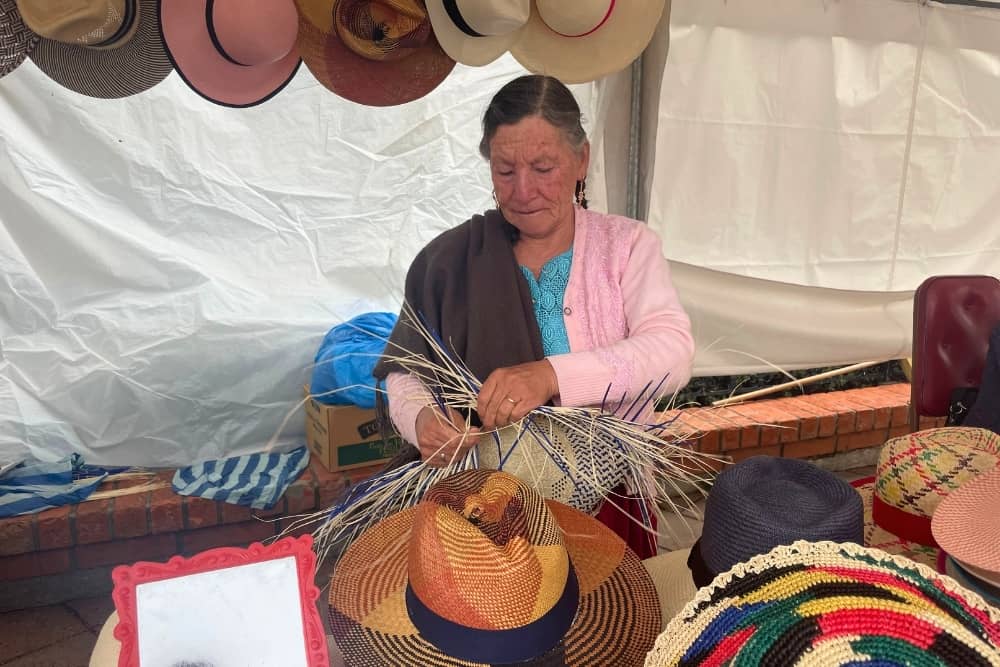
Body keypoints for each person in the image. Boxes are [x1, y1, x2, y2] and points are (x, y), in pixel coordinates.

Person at [374, 74, 695, 557]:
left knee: (611, 626)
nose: (523, 190)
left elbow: (672, 353)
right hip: (488, 511)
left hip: (610, 503)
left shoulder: (626, 247)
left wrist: (549, 375)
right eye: (505, 171)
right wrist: (420, 420)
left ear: (581, 159)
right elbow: (405, 371)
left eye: (543, 167)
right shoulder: (450, 262)